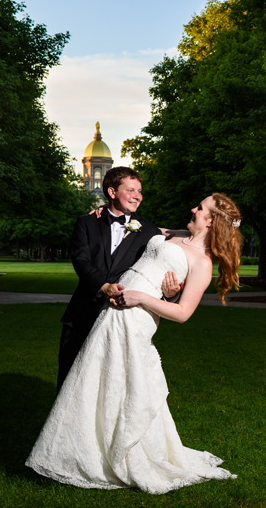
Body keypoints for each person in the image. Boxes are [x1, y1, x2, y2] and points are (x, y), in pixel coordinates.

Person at [26, 193, 243, 494]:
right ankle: (86, 447)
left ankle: (121, 452)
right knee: (97, 377)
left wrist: (143, 297)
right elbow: (141, 225)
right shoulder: (176, 235)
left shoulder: (203, 263)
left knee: (124, 383)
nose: (192, 208)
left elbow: (182, 313)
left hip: (136, 317)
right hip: (112, 310)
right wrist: (101, 214)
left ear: (211, 221)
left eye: (200, 208)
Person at [56, 167, 182, 392]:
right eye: (131, 190)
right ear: (112, 192)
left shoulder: (149, 231)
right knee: (68, 382)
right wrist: (103, 286)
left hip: (120, 319)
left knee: (110, 387)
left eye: (140, 191)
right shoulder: (87, 223)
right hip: (81, 314)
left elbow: (155, 268)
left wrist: (171, 296)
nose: (138, 196)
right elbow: (81, 261)